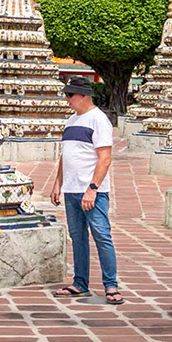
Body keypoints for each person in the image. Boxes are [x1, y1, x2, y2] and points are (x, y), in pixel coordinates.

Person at [49, 76, 123, 304]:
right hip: (71, 189)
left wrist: (92, 188)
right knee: (77, 236)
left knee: (102, 235)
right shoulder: (71, 121)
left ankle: (111, 285)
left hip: (92, 191)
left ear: (83, 95)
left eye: (70, 95)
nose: (67, 99)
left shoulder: (98, 120)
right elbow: (66, 154)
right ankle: (80, 282)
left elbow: (105, 158)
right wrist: (58, 182)